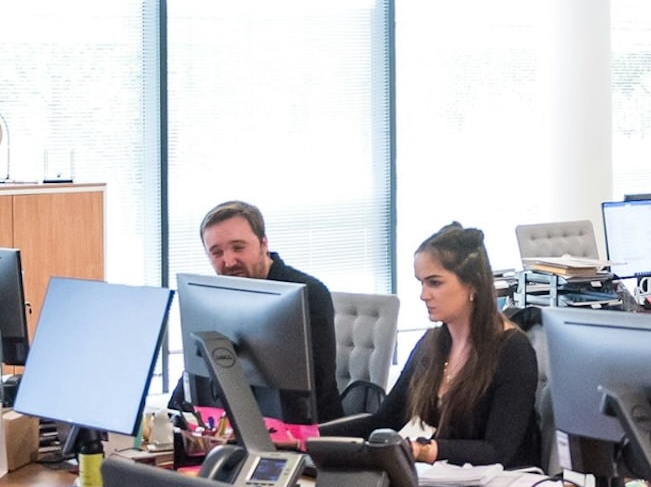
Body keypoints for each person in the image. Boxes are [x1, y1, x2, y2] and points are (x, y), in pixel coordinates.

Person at [341, 224, 539, 468]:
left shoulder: (512, 350)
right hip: (448, 481)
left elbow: (497, 451)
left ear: (473, 285)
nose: (424, 295)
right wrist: (303, 437)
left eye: (434, 283)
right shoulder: (432, 344)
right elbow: (384, 421)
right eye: (421, 283)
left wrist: (418, 450)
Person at [197, 199, 341, 423]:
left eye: (238, 247)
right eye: (216, 253)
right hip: (239, 423)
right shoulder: (218, 298)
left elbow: (317, 383)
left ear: (263, 243)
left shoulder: (308, 293)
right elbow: (199, 366)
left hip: (307, 431)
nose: (229, 261)